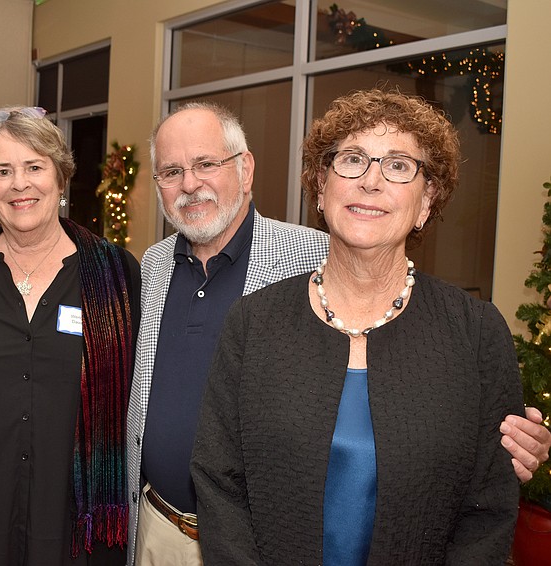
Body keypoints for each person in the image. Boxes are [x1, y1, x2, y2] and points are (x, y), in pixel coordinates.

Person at [125, 101, 551, 565]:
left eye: (398, 166)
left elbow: (487, 507)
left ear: (427, 200)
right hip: (166, 528)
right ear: (321, 188)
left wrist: (524, 443)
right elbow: (218, 470)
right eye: (352, 160)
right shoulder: (169, 275)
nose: (371, 181)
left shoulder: (474, 331)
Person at [0, 107, 140, 565]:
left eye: (34, 167)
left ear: (60, 177)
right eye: (3, 171)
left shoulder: (115, 274)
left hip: (75, 525)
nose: (20, 184)